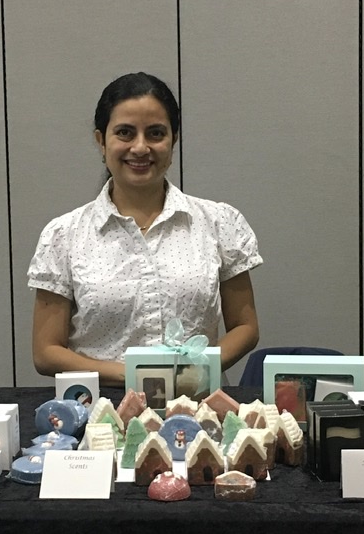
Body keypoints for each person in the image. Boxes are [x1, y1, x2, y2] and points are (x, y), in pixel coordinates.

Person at [28, 72, 262, 385]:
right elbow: (46, 352)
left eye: (155, 133)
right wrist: (138, 376)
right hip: (102, 405)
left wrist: (194, 371)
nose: (140, 147)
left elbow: (245, 327)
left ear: (173, 140)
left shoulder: (219, 223)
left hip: (196, 399)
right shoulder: (63, 236)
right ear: (101, 141)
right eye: (125, 133)